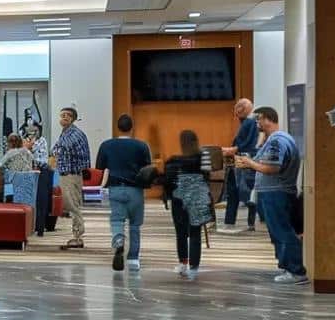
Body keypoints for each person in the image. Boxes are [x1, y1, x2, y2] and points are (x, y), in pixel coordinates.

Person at [237, 107, 306, 284]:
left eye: (259, 119)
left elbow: (272, 168)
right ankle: (286, 266)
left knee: (283, 232)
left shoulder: (278, 141)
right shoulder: (274, 139)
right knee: (278, 232)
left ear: (268, 119)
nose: (257, 123)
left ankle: (296, 271)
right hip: (274, 192)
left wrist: (250, 163)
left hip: (277, 192)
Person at [96, 114, 152, 272]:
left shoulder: (106, 145)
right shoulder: (142, 146)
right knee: (135, 224)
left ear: (117, 127)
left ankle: (119, 240)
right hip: (135, 189)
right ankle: (134, 259)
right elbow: (147, 169)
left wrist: (101, 187)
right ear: (132, 127)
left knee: (117, 220)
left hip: (115, 188)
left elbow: (101, 168)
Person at [163, 131, 213, 281]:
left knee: (181, 232)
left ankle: (183, 262)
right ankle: (194, 267)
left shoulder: (174, 161)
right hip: (197, 198)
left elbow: (167, 181)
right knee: (195, 233)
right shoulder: (203, 156)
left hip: (179, 199)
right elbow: (207, 176)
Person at [52, 107, 91, 249]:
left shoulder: (74, 134)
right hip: (66, 174)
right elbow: (55, 149)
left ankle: (78, 236)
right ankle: (77, 235)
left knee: (73, 205)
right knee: (70, 205)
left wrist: (58, 150)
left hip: (71, 174)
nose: (64, 118)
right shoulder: (65, 133)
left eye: (68, 115)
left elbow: (61, 148)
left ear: (73, 118)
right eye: (62, 115)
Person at [221, 99, 261, 234]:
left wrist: (233, 149)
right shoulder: (250, 122)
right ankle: (235, 222)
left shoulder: (250, 122)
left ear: (242, 109)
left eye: (237, 109)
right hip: (241, 160)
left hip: (244, 161)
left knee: (247, 193)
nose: (235, 113)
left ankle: (246, 223)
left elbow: (248, 143)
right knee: (237, 192)